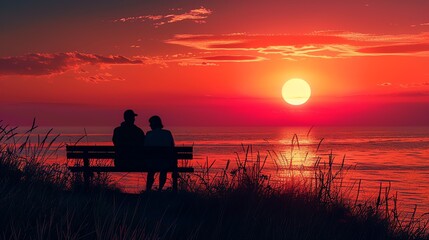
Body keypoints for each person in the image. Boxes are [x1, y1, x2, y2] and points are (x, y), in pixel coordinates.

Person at [144, 115, 175, 191]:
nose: (149, 125)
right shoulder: (167, 133)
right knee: (163, 170)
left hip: (152, 162)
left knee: (151, 171)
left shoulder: (149, 134)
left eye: (150, 123)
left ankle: (148, 189)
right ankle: (160, 189)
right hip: (165, 162)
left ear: (153, 124)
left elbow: (145, 148)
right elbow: (172, 148)